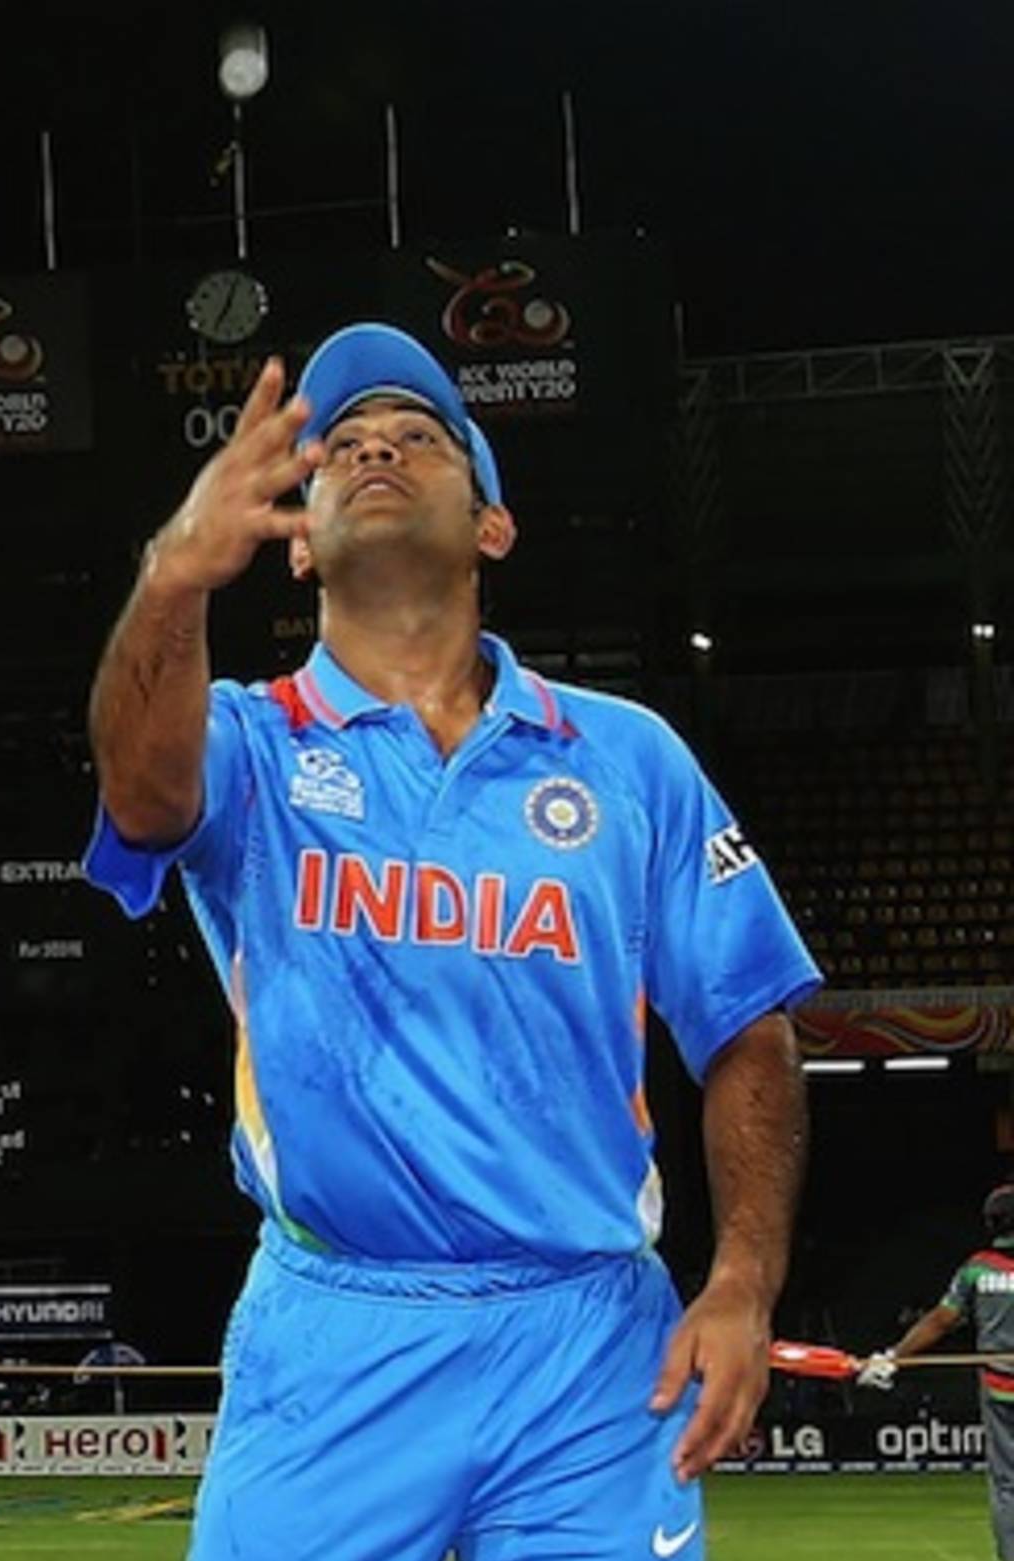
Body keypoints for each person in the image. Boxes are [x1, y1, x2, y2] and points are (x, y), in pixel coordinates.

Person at [84, 322, 820, 1561]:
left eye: (418, 438)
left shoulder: (626, 757)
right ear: (298, 540)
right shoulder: (252, 744)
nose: (376, 449)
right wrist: (172, 577)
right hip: (335, 1330)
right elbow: (142, 797)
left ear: (491, 525)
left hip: (586, 1344)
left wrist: (742, 1278)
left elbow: (749, 1030)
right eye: (343, 449)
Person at [859, 1183, 1014, 1559]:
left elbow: (940, 1321)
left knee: (1008, 1486)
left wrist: (892, 1357)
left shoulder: (977, 1269)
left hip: (999, 1389)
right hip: (999, 1387)